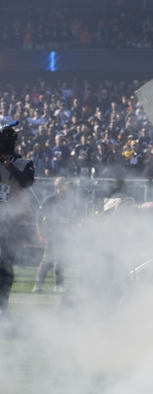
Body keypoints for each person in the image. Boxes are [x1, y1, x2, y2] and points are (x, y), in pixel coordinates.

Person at [0, 122, 35, 318]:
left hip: (11, 222)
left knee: (5, 265)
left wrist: (9, 165)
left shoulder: (23, 162)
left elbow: (27, 182)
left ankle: (2, 307)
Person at [33, 177, 76, 293]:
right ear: (58, 186)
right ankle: (38, 285)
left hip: (63, 234)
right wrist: (40, 234)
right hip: (51, 233)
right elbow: (39, 218)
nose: (66, 187)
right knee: (47, 259)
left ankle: (58, 285)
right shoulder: (49, 200)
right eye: (63, 185)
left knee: (60, 259)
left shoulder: (68, 200)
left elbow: (72, 217)